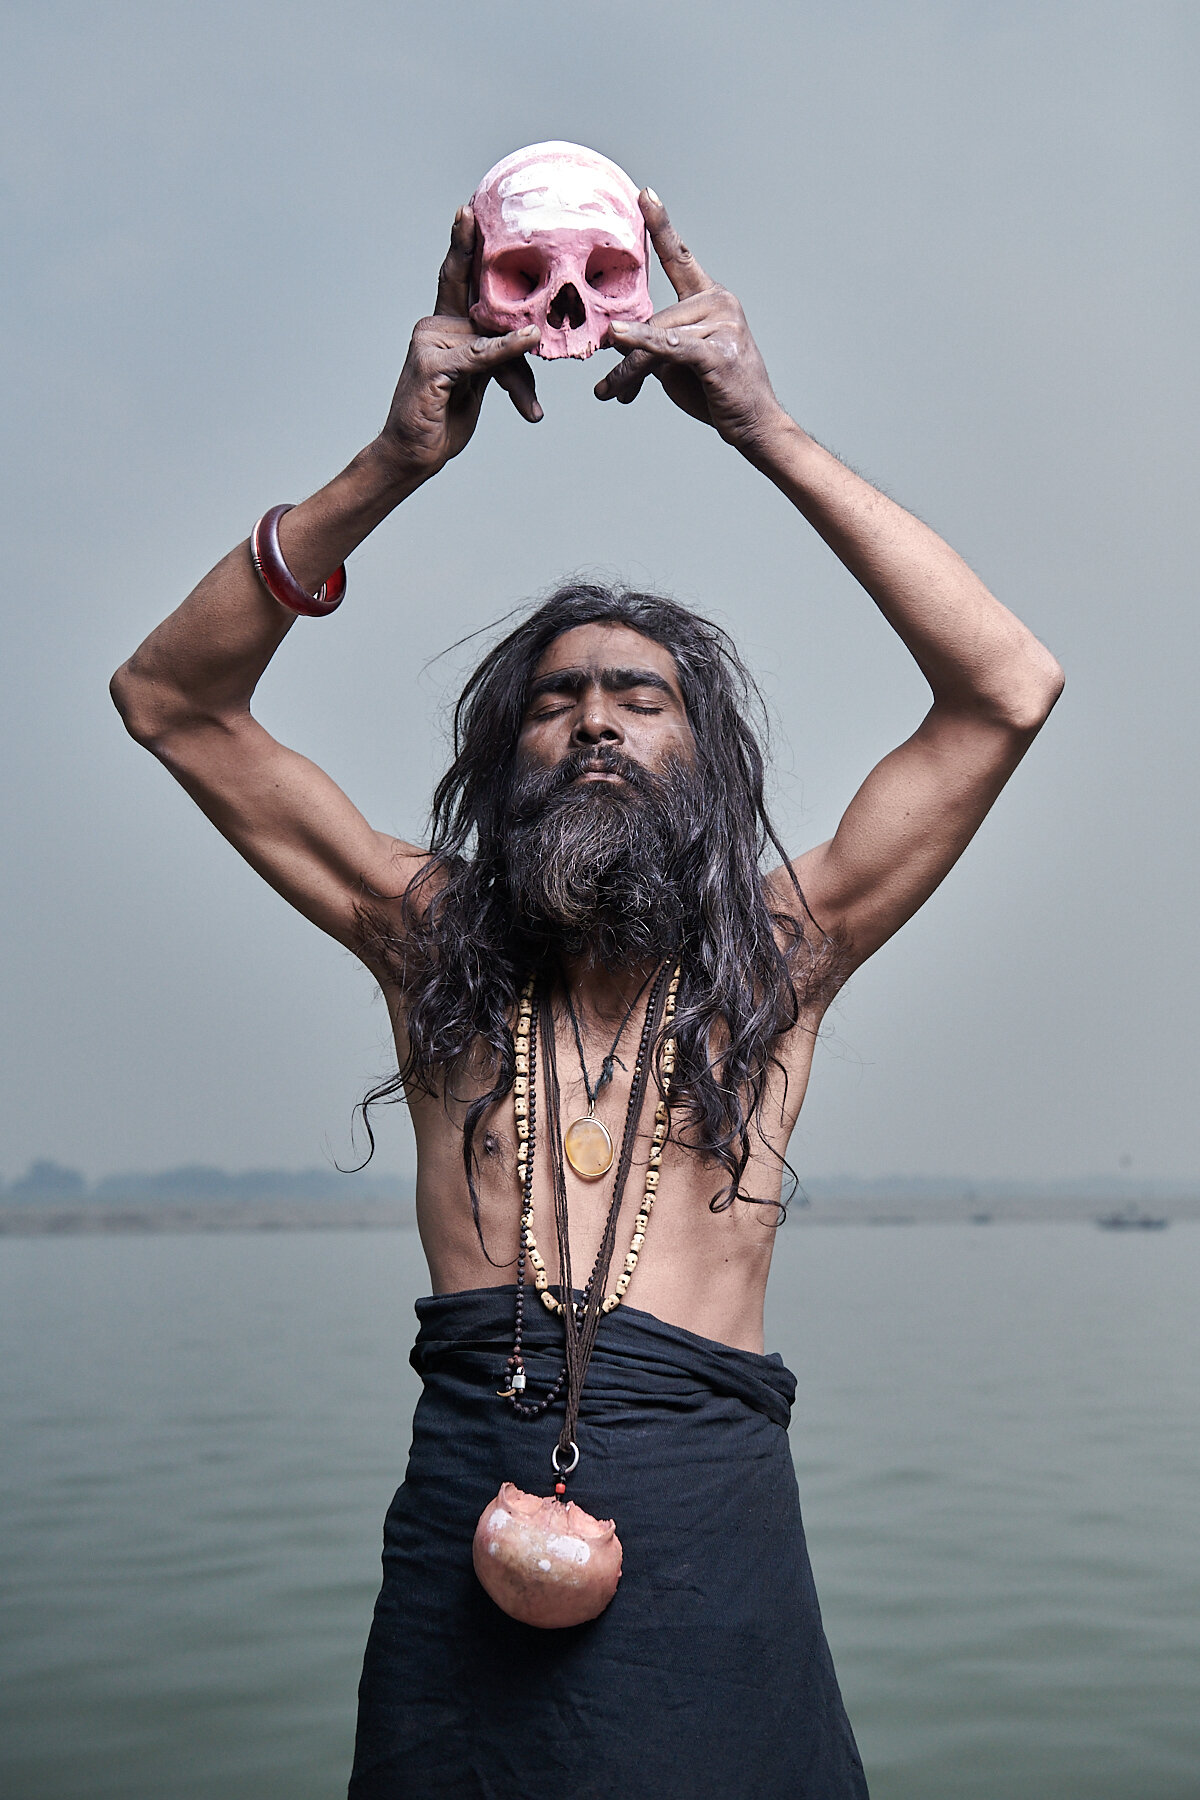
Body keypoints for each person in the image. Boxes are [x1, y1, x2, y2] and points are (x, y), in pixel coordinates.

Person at [111, 191, 1063, 1799]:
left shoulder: (780, 951)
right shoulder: (433, 949)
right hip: (461, 1508)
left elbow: (1005, 689)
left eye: (642, 696)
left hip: (714, 1528)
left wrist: (764, 427)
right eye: (559, 701)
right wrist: (390, 467)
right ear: (506, 756)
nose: (599, 723)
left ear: (708, 757)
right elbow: (173, 700)